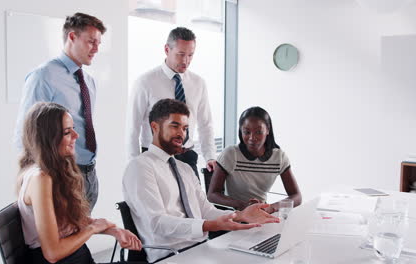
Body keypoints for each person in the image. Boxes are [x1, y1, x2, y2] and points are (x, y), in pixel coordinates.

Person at [123, 99, 278, 263]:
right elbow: (157, 223)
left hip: (201, 248)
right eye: (174, 126)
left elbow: (206, 211)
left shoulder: (185, 169)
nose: (181, 134)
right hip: (171, 255)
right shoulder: (140, 167)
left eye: (185, 128)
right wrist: (211, 225)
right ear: (155, 127)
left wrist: (241, 215)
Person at [17, 102, 141, 264]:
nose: (76, 136)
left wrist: (113, 230)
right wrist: (93, 228)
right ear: (48, 138)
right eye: (67, 132)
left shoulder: (52, 172)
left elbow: (67, 225)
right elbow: (52, 253)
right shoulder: (41, 179)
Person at [14, 12, 105, 210]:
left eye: (99, 43)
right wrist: (42, 181)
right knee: (64, 239)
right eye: (91, 41)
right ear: (72, 37)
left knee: (81, 234)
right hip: (59, 175)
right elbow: (26, 133)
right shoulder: (43, 76)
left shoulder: (89, 81)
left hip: (88, 173)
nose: (96, 49)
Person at [125, 27, 216, 176]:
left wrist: (210, 156)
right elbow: (132, 129)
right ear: (167, 49)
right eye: (180, 54)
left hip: (187, 156)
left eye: (190, 55)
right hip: (154, 158)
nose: (186, 61)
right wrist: (134, 165)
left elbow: (206, 124)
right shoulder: (145, 82)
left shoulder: (198, 83)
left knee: (193, 199)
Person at [207, 107, 302, 213]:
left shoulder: (279, 157)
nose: (252, 137)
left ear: (268, 130)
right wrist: (241, 205)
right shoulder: (230, 154)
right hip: (235, 214)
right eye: (247, 132)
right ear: (240, 131)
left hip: (263, 213)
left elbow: (296, 196)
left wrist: (271, 207)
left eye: (258, 132)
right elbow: (212, 195)